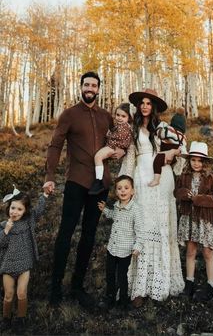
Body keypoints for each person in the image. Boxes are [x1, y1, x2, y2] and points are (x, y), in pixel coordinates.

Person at [43, 71, 125, 308]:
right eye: (86, 84)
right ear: (81, 87)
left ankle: (77, 286)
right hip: (76, 183)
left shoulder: (106, 116)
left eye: (94, 85)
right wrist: (50, 176)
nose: (90, 88)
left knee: (89, 236)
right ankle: (55, 289)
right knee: (65, 233)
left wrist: (121, 151)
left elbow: (119, 138)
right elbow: (55, 145)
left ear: (98, 89)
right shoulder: (69, 115)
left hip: (100, 186)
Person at [119, 89, 184, 306]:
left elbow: (180, 147)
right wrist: (124, 183)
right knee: (143, 227)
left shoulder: (163, 127)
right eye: (142, 103)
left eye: (149, 103)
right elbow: (129, 158)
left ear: (154, 107)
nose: (145, 106)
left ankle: (161, 282)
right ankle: (140, 286)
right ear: (138, 106)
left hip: (162, 179)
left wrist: (172, 155)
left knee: (160, 227)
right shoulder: (133, 129)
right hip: (141, 178)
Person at [174, 141, 213, 301]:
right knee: (190, 251)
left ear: (205, 162)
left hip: (204, 220)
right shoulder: (184, 175)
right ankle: (190, 283)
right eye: (193, 160)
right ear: (189, 160)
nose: (196, 163)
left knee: (207, 252)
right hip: (189, 219)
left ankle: (211, 285)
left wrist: (198, 199)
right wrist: (183, 194)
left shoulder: (210, 179)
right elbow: (176, 192)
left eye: (200, 160)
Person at [0, 185, 48, 333]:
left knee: (21, 293)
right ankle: (6, 319)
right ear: (9, 207)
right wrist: (6, 230)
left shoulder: (28, 222)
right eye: (13, 208)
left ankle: (21, 318)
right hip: (8, 266)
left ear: (25, 210)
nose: (15, 212)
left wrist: (44, 196)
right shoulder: (3, 225)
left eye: (19, 209)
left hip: (24, 264)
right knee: (8, 295)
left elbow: (39, 210)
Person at [97, 175, 143, 310]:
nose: (123, 191)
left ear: (132, 191)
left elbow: (140, 230)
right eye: (119, 188)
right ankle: (109, 297)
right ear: (116, 192)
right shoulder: (116, 206)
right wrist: (105, 210)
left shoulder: (135, 209)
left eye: (126, 188)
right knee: (110, 274)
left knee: (122, 276)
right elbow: (113, 216)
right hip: (112, 248)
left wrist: (137, 246)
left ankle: (123, 301)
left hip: (125, 250)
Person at [89, 103, 133, 196]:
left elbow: (117, 137)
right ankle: (99, 180)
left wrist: (108, 134)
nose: (119, 118)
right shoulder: (121, 126)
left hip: (113, 147)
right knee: (99, 157)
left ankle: (98, 181)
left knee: (98, 157)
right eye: (117, 115)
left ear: (129, 117)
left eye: (123, 116)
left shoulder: (124, 127)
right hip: (113, 146)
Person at [149, 107, 187, 186]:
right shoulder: (183, 136)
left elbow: (160, 133)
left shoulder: (169, 130)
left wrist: (161, 126)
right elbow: (183, 147)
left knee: (157, 161)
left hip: (164, 152)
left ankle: (156, 179)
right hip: (175, 157)